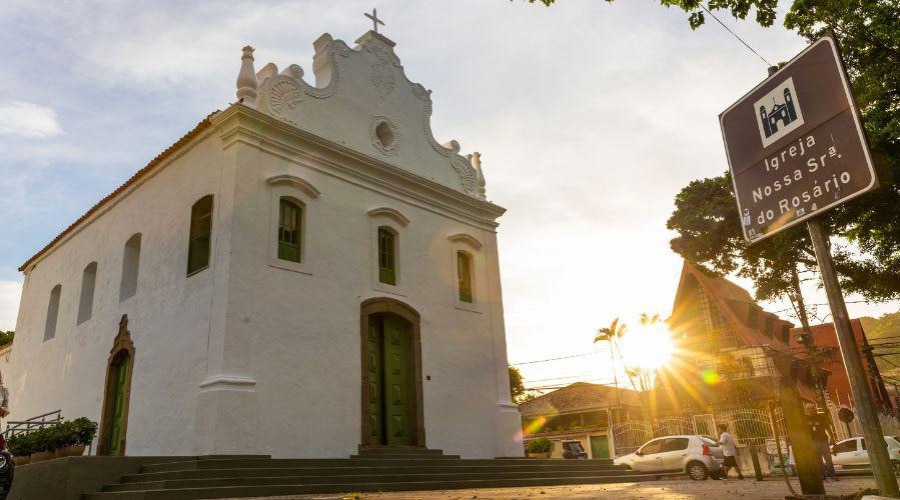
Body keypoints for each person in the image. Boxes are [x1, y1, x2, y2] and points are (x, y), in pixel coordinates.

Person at [808, 410, 838, 481]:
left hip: (823, 441)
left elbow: (828, 428)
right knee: (818, 460)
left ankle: (832, 475)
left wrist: (832, 439)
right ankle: (822, 475)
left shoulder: (821, 417)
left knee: (828, 459)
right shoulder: (805, 418)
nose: (810, 410)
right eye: (809, 408)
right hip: (813, 442)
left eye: (811, 408)